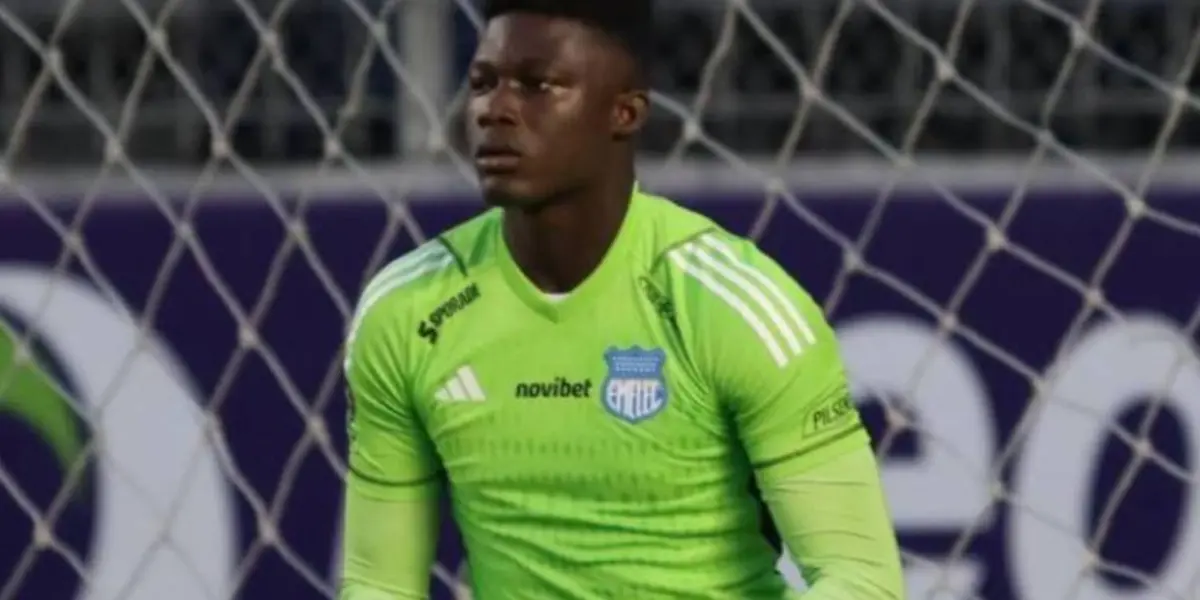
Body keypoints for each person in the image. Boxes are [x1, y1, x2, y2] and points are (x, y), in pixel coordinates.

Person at [338, 0, 905, 598]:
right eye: (482, 83)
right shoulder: (409, 309)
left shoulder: (733, 304)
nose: (494, 109)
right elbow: (379, 586)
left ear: (625, 112)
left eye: (537, 85)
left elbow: (863, 582)